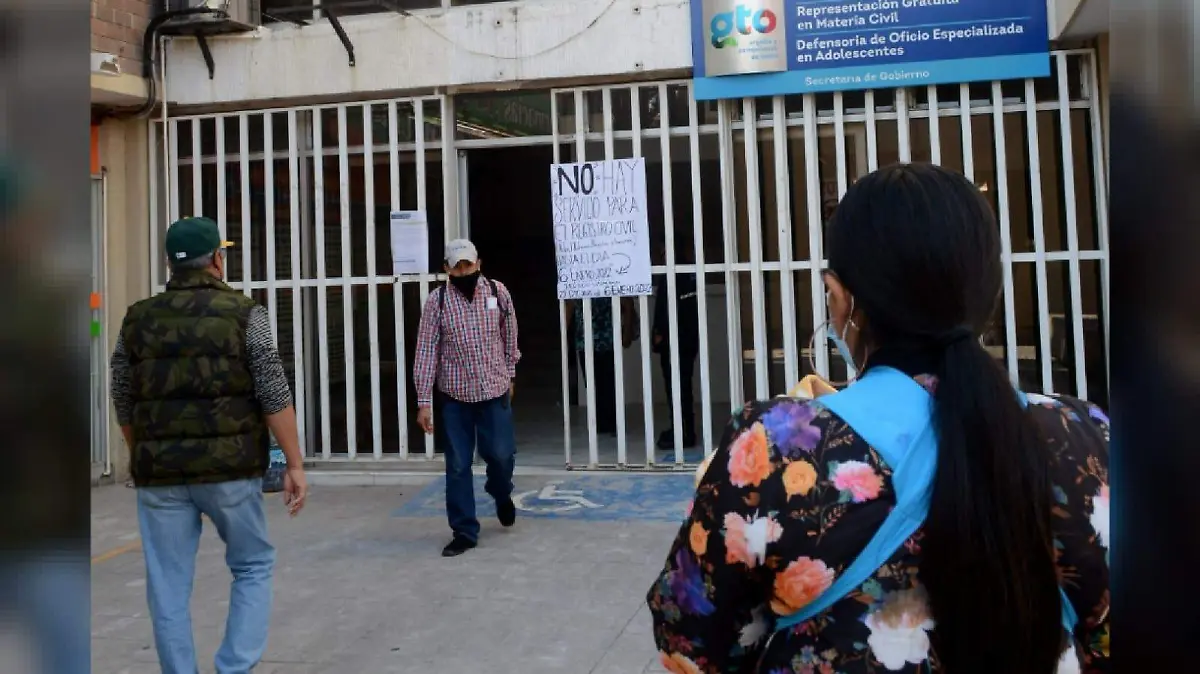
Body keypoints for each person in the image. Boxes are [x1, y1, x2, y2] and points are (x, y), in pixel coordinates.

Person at [647, 164, 1109, 673]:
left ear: (840, 298)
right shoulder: (1085, 437)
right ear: (992, 295)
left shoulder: (775, 448)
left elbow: (688, 639)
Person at [111, 216, 309, 674]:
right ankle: (234, 668)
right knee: (253, 564)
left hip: (160, 476)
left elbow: (122, 395)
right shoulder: (245, 314)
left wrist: (143, 454)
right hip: (230, 472)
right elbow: (273, 392)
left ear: (170, 264)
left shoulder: (136, 318)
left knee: (167, 585)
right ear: (218, 259)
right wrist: (295, 464)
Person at [414, 239, 520, 557]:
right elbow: (426, 350)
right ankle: (464, 531)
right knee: (458, 465)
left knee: (501, 456)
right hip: (455, 398)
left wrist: (510, 373)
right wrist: (423, 401)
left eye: (468, 265)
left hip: (494, 391)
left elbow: (510, 335)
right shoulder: (438, 302)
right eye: (457, 267)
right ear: (446, 269)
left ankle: (500, 492)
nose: (464, 272)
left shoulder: (498, 292)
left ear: (478, 264)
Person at [565, 295, 637, 435]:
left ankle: (612, 421)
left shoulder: (607, 284)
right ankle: (601, 421)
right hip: (588, 341)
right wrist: (565, 336)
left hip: (607, 340)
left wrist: (627, 332)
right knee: (594, 384)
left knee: (609, 383)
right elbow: (569, 307)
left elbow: (628, 304)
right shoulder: (579, 287)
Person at [652, 242, 701, 450]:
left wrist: (659, 334)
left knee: (677, 389)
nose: (662, 255)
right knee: (682, 388)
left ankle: (683, 432)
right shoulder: (687, 275)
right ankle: (683, 429)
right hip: (686, 341)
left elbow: (666, 310)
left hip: (675, 343)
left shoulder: (674, 276)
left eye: (665, 251)